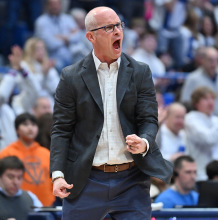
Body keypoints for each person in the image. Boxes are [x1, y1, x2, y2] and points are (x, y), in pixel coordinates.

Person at [50, 6, 173, 220]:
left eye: (119, 25)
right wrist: (57, 175)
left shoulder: (141, 71)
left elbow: (149, 119)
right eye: (109, 27)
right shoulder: (71, 77)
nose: (117, 31)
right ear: (91, 37)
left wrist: (144, 142)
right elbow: (61, 130)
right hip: (86, 180)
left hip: (131, 180)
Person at [0, 113, 55, 206]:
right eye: (25, 124)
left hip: (48, 206)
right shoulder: (6, 153)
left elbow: (53, 178)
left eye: (33, 125)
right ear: (17, 129)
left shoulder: (46, 153)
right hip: (17, 206)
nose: (30, 128)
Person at [184, 86, 218, 181]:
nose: (210, 102)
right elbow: (209, 139)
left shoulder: (216, 120)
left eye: (212, 98)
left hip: (217, 173)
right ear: (196, 102)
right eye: (205, 98)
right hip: (200, 175)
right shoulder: (190, 119)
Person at [180, 47, 218, 116]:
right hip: (198, 119)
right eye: (210, 60)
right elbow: (185, 103)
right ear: (203, 60)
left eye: (216, 60)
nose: (213, 64)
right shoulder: (193, 78)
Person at [0, 156, 42, 220]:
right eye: (10, 177)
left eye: (19, 177)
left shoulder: (30, 197)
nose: (15, 182)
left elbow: (43, 216)